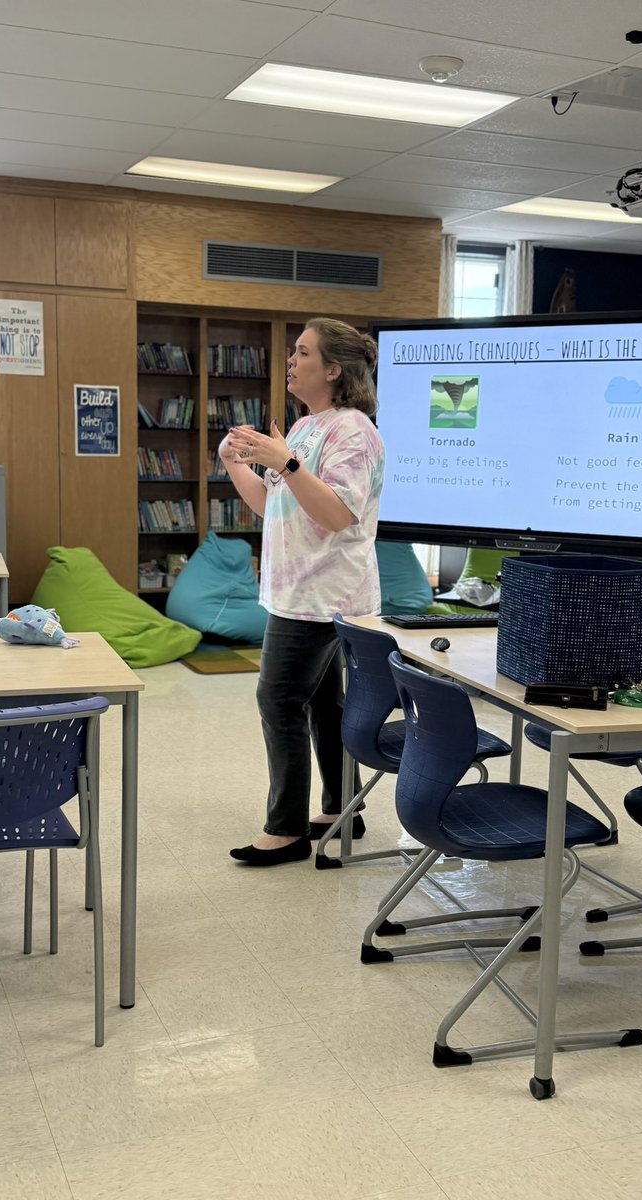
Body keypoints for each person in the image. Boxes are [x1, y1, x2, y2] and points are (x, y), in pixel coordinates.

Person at [219, 317, 385, 866]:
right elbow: (275, 504)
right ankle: (343, 807)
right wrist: (235, 463)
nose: (291, 361)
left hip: (324, 594)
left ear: (333, 370)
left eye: (303, 353)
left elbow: (338, 513)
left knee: (279, 699)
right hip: (301, 591)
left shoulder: (353, 430)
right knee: (321, 704)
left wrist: (284, 461)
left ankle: (286, 829)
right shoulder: (308, 425)